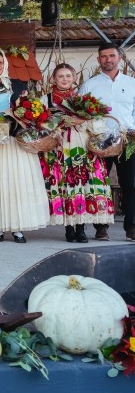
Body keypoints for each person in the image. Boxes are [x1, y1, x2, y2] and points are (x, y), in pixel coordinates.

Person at [0, 49, 49, 243]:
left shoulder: (19, 84)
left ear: (5, 63)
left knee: (16, 182)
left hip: (14, 142)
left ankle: (17, 227)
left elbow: (28, 111)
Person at [42, 63, 114, 243]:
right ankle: (68, 229)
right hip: (58, 147)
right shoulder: (47, 99)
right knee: (65, 184)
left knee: (82, 184)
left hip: (80, 145)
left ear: (74, 78)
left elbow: (96, 123)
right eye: (61, 76)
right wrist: (57, 125)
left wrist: (80, 121)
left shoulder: (84, 99)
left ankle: (81, 228)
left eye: (68, 76)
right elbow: (40, 123)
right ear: (53, 79)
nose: (65, 79)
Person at [80, 42, 135, 241]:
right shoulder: (90, 85)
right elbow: (82, 113)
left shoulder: (131, 84)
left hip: (128, 141)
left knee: (131, 185)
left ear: (119, 58)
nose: (108, 60)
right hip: (100, 143)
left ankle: (132, 227)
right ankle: (100, 227)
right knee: (98, 185)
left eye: (112, 56)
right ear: (98, 60)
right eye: (104, 57)